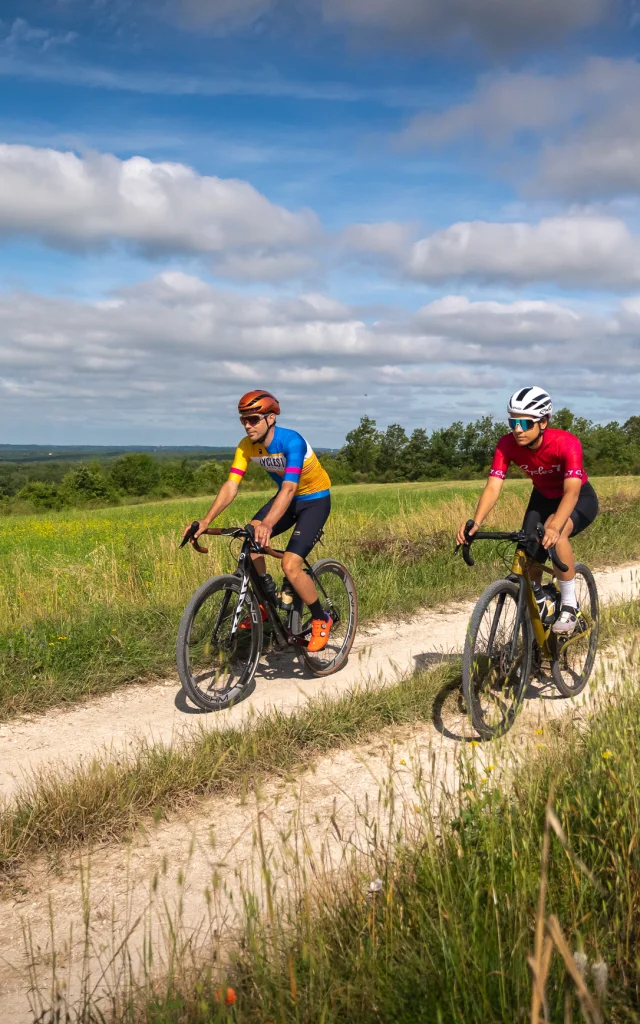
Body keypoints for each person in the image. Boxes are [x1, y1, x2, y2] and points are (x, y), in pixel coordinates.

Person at [186, 390, 333, 652]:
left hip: (314, 501)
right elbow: (231, 486)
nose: (247, 425)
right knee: (250, 537)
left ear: (271, 417)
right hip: (286, 499)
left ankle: (322, 618)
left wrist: (267, 524)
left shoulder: (292, 442)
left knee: (290, 565)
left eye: (253, 419)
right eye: (243, 419)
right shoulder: (246, 446)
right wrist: (206, 520)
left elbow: (289, 488)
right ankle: (265, 602)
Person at [456, 386, 599, 633]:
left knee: (557, 533)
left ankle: (568, 604)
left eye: (525, 422)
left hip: (578, 497)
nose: (517, 429)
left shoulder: (566, 443)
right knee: (526, 552)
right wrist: (476, 522)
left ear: (543, 422)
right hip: (542, 498)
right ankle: (541, 605)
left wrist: (554, 525)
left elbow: (572, 492)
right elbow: (493, 487)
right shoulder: (506, 444)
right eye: (513, 422)